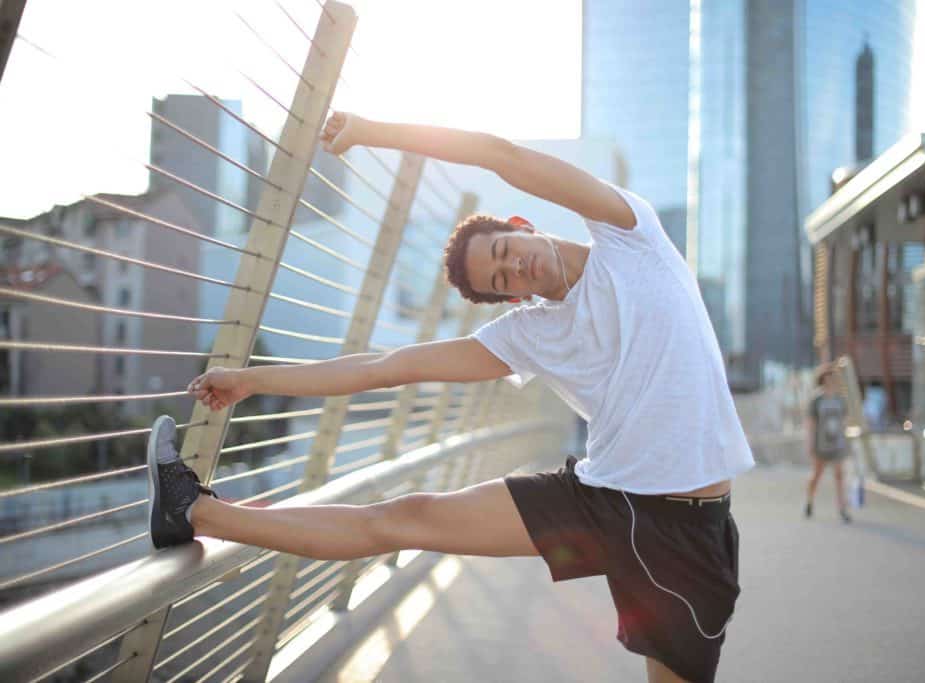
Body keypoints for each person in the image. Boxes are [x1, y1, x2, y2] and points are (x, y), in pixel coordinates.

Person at [147, 112, 755, 683]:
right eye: (501, 281)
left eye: (503, 253)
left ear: (521, 226)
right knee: (404, 518)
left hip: (688, 526)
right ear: (511, 301)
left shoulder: (632, 236)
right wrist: (255, 379)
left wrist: (372, 131)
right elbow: (387, 367)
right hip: (602, 498)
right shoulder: (529, 333)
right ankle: (195, 511)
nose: (514, 269)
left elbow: (501, 154)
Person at [804, 363, 852, 523]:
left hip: (837, 443)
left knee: (839, 475)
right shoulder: (817, 400)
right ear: (822, 379)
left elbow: (845, 421)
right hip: (821, 444)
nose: (830, 380)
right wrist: (810, 444)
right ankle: (809, 500)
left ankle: (842, 508)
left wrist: (846, 440)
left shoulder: (841, 399)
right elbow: (811, 424)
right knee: (817, 475)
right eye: (827, 378)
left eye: (833, 377)